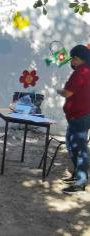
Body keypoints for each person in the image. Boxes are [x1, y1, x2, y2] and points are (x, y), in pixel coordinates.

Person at [57, 45, 90, 194]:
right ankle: (78, 175)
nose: (72, 61)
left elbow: (67, 93)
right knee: (71, 144)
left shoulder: (81, 72)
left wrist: (59, 90)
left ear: (79, 59)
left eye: (74, 58)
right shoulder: (84, 70)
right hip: (79, 115)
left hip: (80, 116)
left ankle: (81, 181)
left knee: (79, 148)